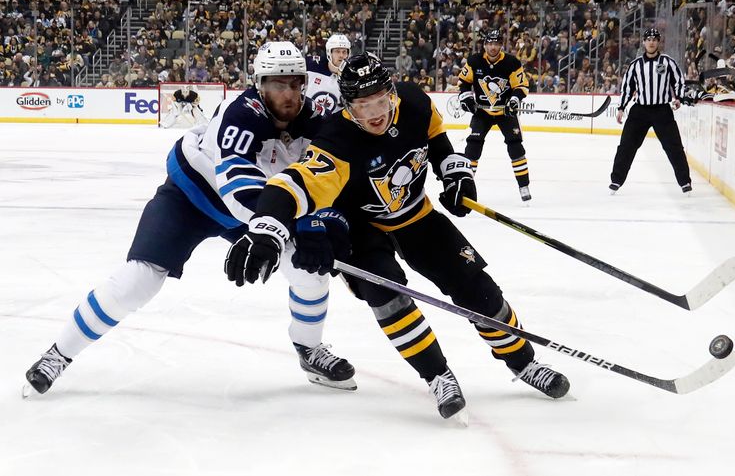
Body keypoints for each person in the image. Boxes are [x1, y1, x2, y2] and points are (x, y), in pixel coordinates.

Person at [224, 53, 570, 421]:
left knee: (475, 287)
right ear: (347, 107)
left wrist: (455, 174)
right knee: (387, 296)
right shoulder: (336, 140)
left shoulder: (415, 103)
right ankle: (438, 376)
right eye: (362, 106)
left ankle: (524, 363)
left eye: (379, 101)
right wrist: (266, 230)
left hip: (416, 216)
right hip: (361, 228)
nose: (374, 113)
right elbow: (290, 186)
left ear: (391, 93)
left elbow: (437, 141)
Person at [23, 42, 356, 397]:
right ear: (259, 83)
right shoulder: (240, 115)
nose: (288, 93)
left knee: (310, 272)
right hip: (194, 197)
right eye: (277, 83)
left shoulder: (318, 119)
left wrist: (316, 226)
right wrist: (275, 229)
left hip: (259, 211)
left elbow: (319, 180)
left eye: (295, 83)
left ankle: (308, 348)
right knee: (140, 278)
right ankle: (58, 354)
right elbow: (238, 186)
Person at [610, 28, 691, 194]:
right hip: (640, 111)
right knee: (626, 146)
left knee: (674, 147)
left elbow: (679, 82)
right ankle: (616, 180)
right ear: (644, 42)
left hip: (662, 110)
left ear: (658, 42)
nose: (651, 42)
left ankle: (685, 182)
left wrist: (679, 98)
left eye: (654, 39)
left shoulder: (668, 62)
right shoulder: (635, 65)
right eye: (648, 39)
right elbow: (627, 88)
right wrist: (621, 107)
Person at [458, 29, 532, 202]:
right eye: (490, 43)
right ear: (485, 45)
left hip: (504, 112)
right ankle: (466, 187)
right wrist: (467, 98)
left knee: (516, 147)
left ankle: (524, 186)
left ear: (501, 45)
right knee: (472, 148)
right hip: (482, 112)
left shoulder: (511, 62)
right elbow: (464, 82)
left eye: (496, 43)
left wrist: (514, 101)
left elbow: (521, 87)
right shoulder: (474, 61)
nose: (493, 47)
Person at [305, 33, 351, 116]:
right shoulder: (311, 66)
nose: (341, 55)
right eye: (337, 51)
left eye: (344, 52)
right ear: (329, 53)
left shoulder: (350, 78)